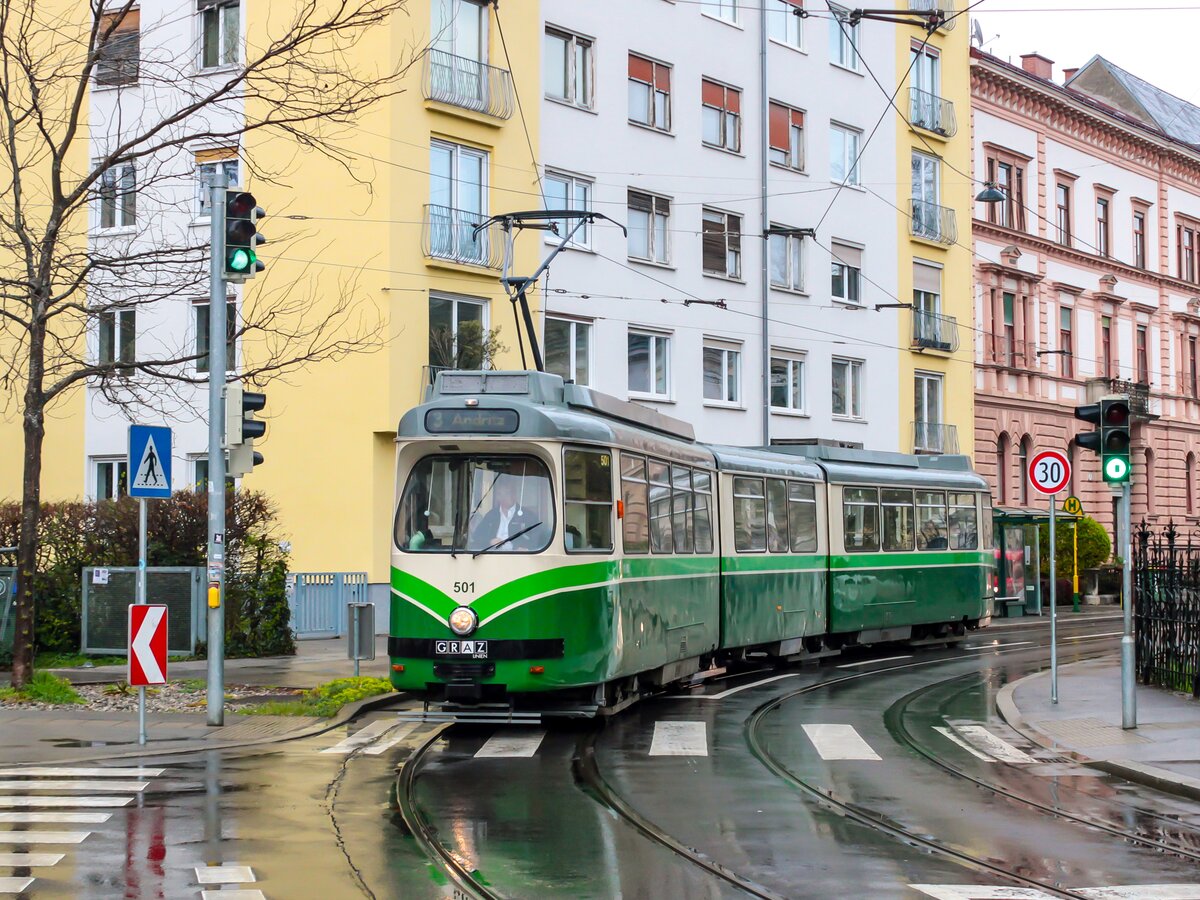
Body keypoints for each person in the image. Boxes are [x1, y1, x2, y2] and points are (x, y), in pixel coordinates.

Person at [471, 476, 537, 551]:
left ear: (514, 495)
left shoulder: (528, 515)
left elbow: (537, 539)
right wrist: (490, 542)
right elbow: (477, 537)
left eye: (506, 493)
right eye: (500, 494)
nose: (503, 497)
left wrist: (527, 549)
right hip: (493, 556)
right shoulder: (491, 515)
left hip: (518, 557)